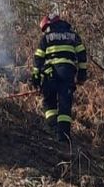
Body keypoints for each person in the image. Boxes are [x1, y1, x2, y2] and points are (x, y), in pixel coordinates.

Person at [31, 12, 88, 143]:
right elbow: (82, 55)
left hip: (50, 75)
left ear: (49, 25)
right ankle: (63, 138)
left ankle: (52, 129)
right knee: (64, 105)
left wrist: (35, 77)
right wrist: (81, 74)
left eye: (45, 29)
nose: (45, 31)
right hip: (67, 74)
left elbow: (38, 58)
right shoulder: (73, 36)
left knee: (49, 102)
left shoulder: (46, 38)